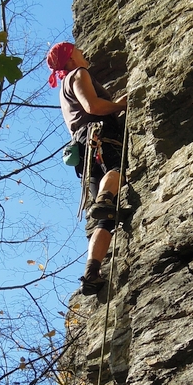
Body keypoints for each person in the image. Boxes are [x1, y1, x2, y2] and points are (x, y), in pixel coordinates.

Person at [47, 42, 127, 294]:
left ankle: (92, 272)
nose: (83, 52)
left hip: (83, 150)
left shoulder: (62, 88)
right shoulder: (78, 74)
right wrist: (119, 105)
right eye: (78, 50)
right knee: (116, 168)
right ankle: (104, 197)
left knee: (105, 220)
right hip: (98, 136)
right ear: (70, 56)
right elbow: (92, 107)